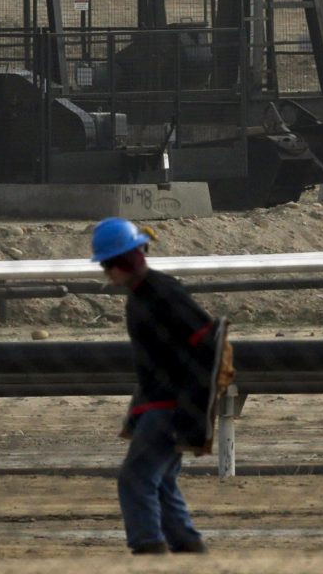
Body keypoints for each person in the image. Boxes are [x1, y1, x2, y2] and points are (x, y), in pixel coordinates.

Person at [93, 216, 216, 557]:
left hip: (169, 406)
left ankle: (149, 548)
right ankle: (188, 546)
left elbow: (207, 343)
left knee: (135, 478)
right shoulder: (143, 295)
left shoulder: (162, 292)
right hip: (161, 403)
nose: (106, 273)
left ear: (124, 261)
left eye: (107, 264)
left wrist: (192, 405)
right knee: (160, 480)